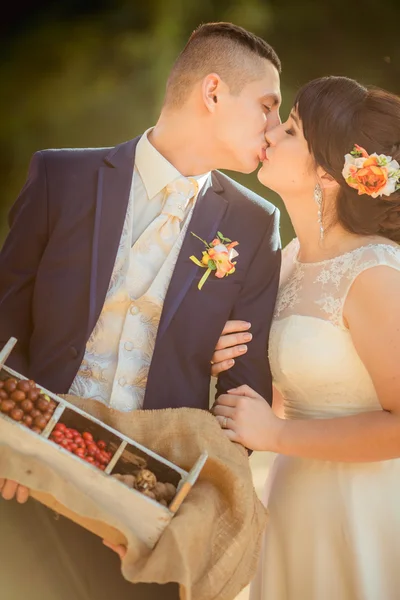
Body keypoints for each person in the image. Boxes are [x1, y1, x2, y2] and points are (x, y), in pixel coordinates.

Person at [0, 23, 281, 600]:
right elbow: (6, 319)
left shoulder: (255, 226)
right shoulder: (62, 177)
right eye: (267, 107)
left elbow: (242, 401)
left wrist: (177, 513)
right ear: (212, 92)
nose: (274, 131)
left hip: (141, 518)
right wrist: (12, 439)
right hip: (20, 485)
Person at [211, 75, 400, 599]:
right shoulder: (288, 260)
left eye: (290, 127)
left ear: (327, 171)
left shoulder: (375, 273)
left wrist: (276, 436)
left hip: (361, 510)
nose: (270, 132)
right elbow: (290, 386)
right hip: (294, 503)